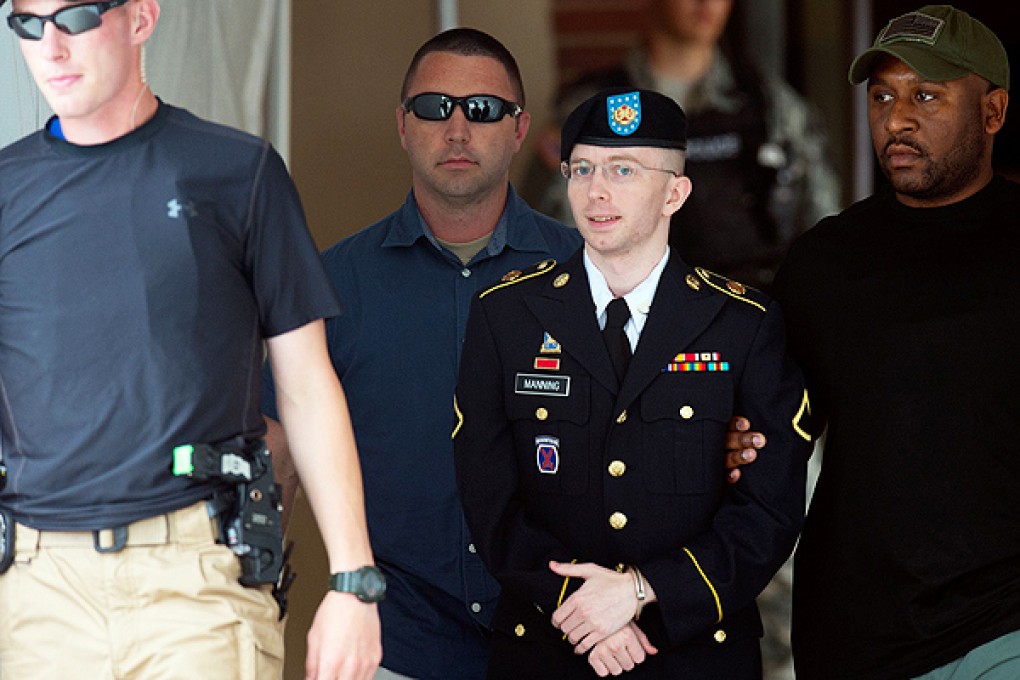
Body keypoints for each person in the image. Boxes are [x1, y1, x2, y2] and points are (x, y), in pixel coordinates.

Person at [0, 1, 380, 678]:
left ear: (141, 18)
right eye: (28, 24)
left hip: (196, 580)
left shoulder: (239, 172)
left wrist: (354, 580)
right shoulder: (6, 190)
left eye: (75, 17)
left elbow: (306, 384)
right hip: (35, 592)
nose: (50, 47)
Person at [453, 87, 812, 678]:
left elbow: (768, 511)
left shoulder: (744, 326)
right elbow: (488, 496)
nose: (596, 191)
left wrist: (643, 591)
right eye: (583, 169)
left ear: (674, 191)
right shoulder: (506, 316)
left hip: (697, 653)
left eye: (624, 170)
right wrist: (581, 607)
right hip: (548, 651)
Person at [260, 28, 583, 680]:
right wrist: (251, 602)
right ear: (403, 125)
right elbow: (279, 451)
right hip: (395, 644)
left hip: (564, 641)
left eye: (484, 110)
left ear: (520, 129)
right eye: (435, 107)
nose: (458, 128)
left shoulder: (587, 273)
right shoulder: (331, 284)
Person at [734, 6, 1020, 679]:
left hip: (1003, 617)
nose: (897, 119)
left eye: (926, 95)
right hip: (858, 632)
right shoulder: (824, 262)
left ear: (994, 112)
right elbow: (768, 428)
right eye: (883, 97)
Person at [521, 0, 841, 292]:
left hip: (752, 313)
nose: (707, 3)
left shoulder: (772, 108)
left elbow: (823, 234)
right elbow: (549, 240)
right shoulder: (591, 111)